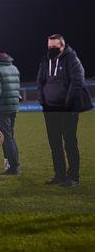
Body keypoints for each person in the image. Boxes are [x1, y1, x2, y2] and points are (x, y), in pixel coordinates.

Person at [36, 34, 92, 187]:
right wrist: (42, 100)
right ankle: (59, 175)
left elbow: (78, 81)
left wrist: (67, 103)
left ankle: (73, 177)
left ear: (62, 46)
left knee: (70, 143)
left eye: (54, 47)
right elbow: (40, 81)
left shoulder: (72, 59)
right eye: (49, 47)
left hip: (67, 109)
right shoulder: (45, 60)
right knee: (55, 144)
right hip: (49, 109)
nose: (51, 50)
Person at [0, 46, 21, 175]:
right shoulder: (13, 67)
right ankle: (14, 165)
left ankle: (14, 167)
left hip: (2, 108)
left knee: (7, 138)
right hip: (13, 107)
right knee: (10, 136)